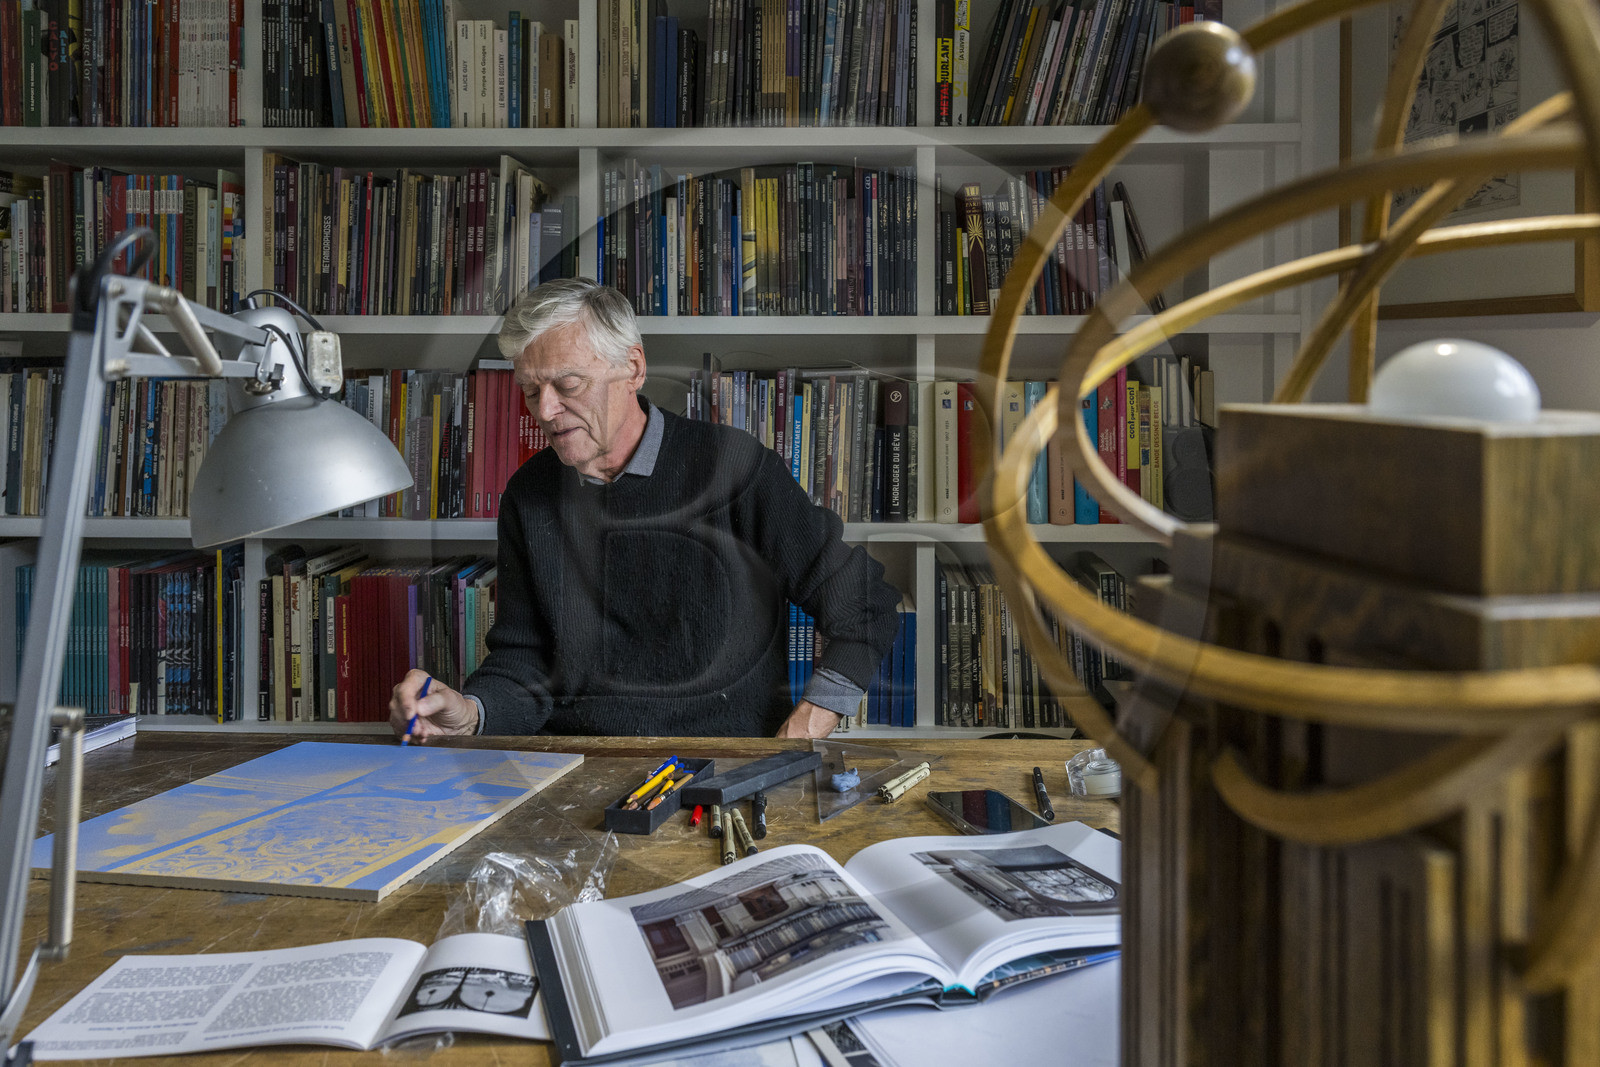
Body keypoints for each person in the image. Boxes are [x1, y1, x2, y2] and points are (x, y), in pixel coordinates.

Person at [390, 279, 900, 741]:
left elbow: (865, 605)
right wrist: (471, 711)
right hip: (574, 764)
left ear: (632, 368)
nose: (544, 411)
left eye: (568, 385)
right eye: (530, 390)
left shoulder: (736, 470)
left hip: (722, 762)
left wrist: (807, 725)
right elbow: (527, 661)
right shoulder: (530, 493)